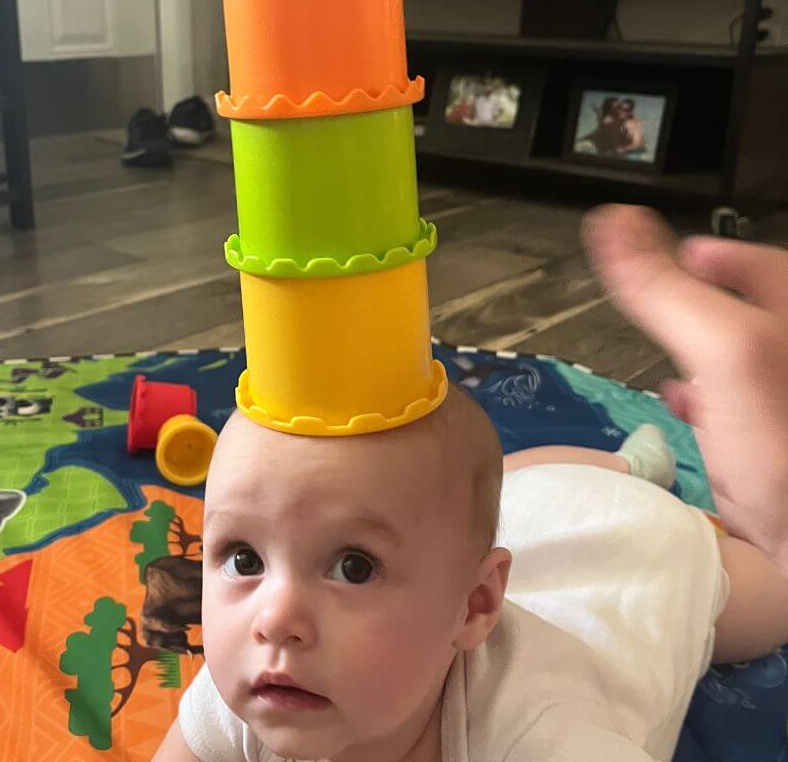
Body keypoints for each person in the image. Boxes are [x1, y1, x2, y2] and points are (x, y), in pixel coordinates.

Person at [154, 205, 788, 761]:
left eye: (352, 567)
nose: (275, 618)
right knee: (471, 493)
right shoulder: (252, 680)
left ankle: (637, 476)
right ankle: (625, 461)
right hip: (532, 513)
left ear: (476, 606)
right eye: (243, 559)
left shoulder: (538, 736)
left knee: (775, 598)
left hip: (642, 557)